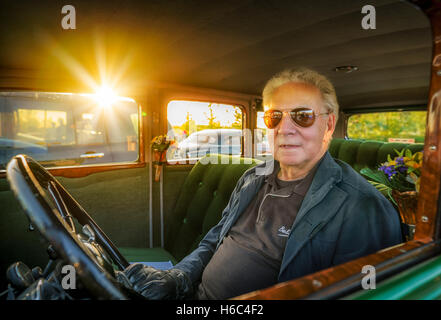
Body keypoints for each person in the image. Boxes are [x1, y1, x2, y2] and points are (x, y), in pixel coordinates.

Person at [122, 68, 403, 299]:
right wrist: (178, 277)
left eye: (302, 116)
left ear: (329, 125)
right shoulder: (252, 178)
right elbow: (214, 240)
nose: (285, 128)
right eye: (274, 116)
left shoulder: (363, 206)